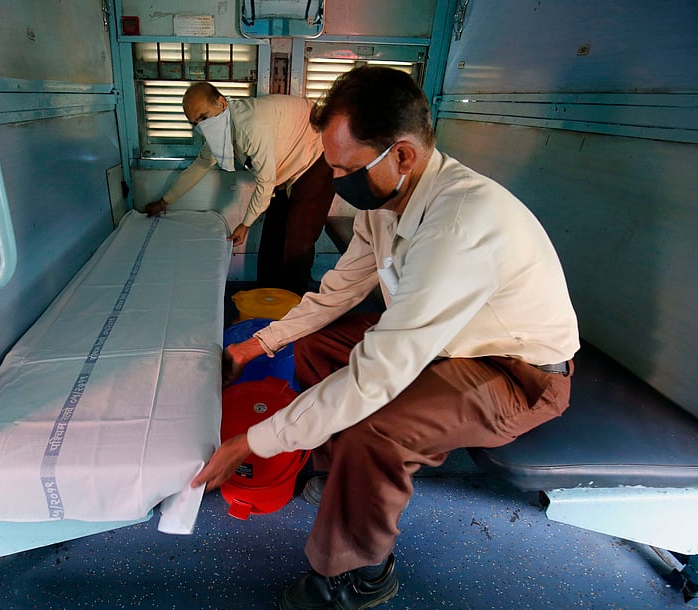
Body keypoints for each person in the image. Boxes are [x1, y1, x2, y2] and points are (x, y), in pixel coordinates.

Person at [191, 66, 579, 609]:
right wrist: (256, 346)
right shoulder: (385, 204)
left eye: (344, 168)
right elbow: (336, 293)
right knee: (312, 347)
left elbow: (375, 377)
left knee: (373, 431)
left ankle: (360, 575)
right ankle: (333, 473)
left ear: (400, 156)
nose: (334, 179)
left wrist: (249, 443)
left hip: (514, 374)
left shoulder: (461, 224)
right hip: (442, 343)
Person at [145, 82, 335, 295]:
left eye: (204, 117)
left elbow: (265, 182)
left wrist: (245, 225)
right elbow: (199, 166)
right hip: (289, 161)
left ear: (221, 103)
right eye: (195, 123)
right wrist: (165, 201)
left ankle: (294, 306)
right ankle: (266, 295)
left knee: (297, 239)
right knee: (273, 235)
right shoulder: (219, 132)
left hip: (317, 154)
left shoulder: (251, 126)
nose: (202, 127)